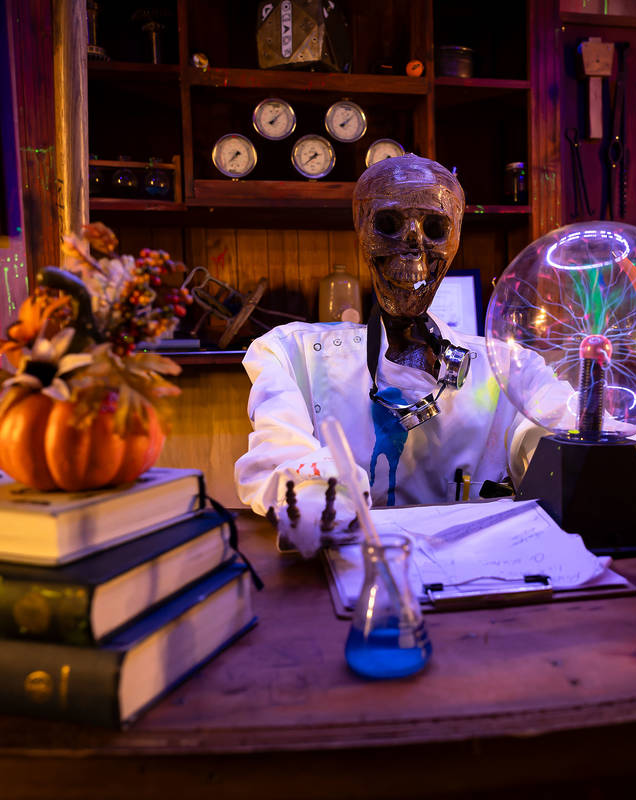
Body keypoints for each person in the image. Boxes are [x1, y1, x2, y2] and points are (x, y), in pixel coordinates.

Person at [233, 155, 561, 556]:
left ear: (455, 238)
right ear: (362, 232)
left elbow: (563, 426)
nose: (413, 242)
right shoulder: (290, 353)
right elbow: (279, 450)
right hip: (349, 580)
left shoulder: (511, 366)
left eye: (434, 228)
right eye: (388, 224)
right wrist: (316, 490)